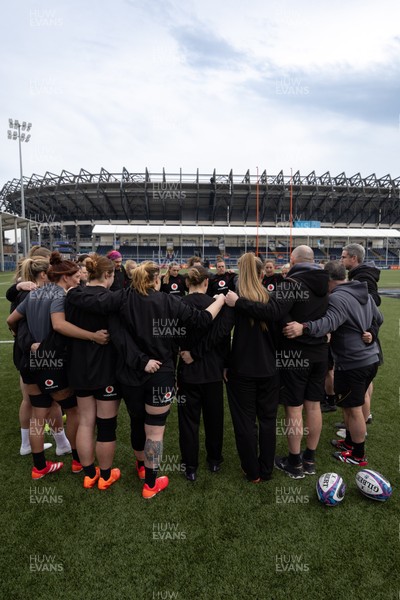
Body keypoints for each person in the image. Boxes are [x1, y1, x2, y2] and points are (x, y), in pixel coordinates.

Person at [66, 261, 225, 498]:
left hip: (131, 374)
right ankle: (150, 481)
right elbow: (201, 319)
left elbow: (116, 333)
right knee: (155, 430)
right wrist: (220, 301)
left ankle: (142, 468)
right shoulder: (168, 301)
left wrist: (72, 290)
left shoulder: (122, 299)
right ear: (156, 279)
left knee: (137, 421)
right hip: (159, 374)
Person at [226, 245, 330, 478]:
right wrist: (316, 329)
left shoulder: (289, 286)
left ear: (293, 262)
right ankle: (308, 459)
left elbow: (273, 314)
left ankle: (290, 462)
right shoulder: (326, 284)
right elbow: (333, 314)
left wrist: (239, 303)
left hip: (288, 360)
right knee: (306, 409)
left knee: (288, 411)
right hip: (315, 354)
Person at [7, 252, 109, 480]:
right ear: (64, 277)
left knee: (38, 415)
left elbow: (11, 321)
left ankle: (39, 466)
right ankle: (76, 461)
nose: (79, 279)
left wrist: (27, 342)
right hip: (51, 364)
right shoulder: (59, 296)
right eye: (75, 276)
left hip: (30, 363)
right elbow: (60, 325)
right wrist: (92, 336)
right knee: (73, 411)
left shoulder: (32, 295)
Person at [283, 260, 383, 466]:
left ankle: (358, 455)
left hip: (353, 361)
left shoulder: (338, 297)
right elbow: (378, 318)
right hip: (371, 357)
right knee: (349, 406)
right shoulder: (361, 289)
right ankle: (349, 443)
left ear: (328, 280)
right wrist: (371, 333)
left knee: (353, 409)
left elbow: (330, 322)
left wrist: (304, 328)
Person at [65, 254, 121, 489]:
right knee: (106, 424)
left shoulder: (74, 296)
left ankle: (89, 473)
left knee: (86, 421)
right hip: (106, 369)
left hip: (79, 367)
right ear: (107, 275)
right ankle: (105, 476)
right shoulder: (113, 300)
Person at [222, 253, 280, 483]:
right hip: (267, 369)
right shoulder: (270, 299)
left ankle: (253, 470)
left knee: (245, 422)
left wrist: (225, 362)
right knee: (267, 420)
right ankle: (264, 470)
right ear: (261, 273)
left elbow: (223, 336)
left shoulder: (235, 302)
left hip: (243, 370)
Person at [7, 256, 70, 457]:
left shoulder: (28, 292)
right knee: (52, 406)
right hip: (41, 356)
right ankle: (62, 446)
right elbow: (55, 326)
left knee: (37, 408)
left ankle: (43, 453)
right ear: (44, 274)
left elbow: (12, 320)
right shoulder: (39, 294)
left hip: (28, 358)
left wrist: (19, 338)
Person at [177, 266, 234, 480]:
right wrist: (226, 365)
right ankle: (214, 460)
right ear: (206, 283)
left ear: (187, 283)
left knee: (188, 421)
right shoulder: (215, 305)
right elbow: (222, 340)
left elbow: (173, 338)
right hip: (212, 371)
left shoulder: (179, 304)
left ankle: (190, 465)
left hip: (188, 371)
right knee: (214, 418)